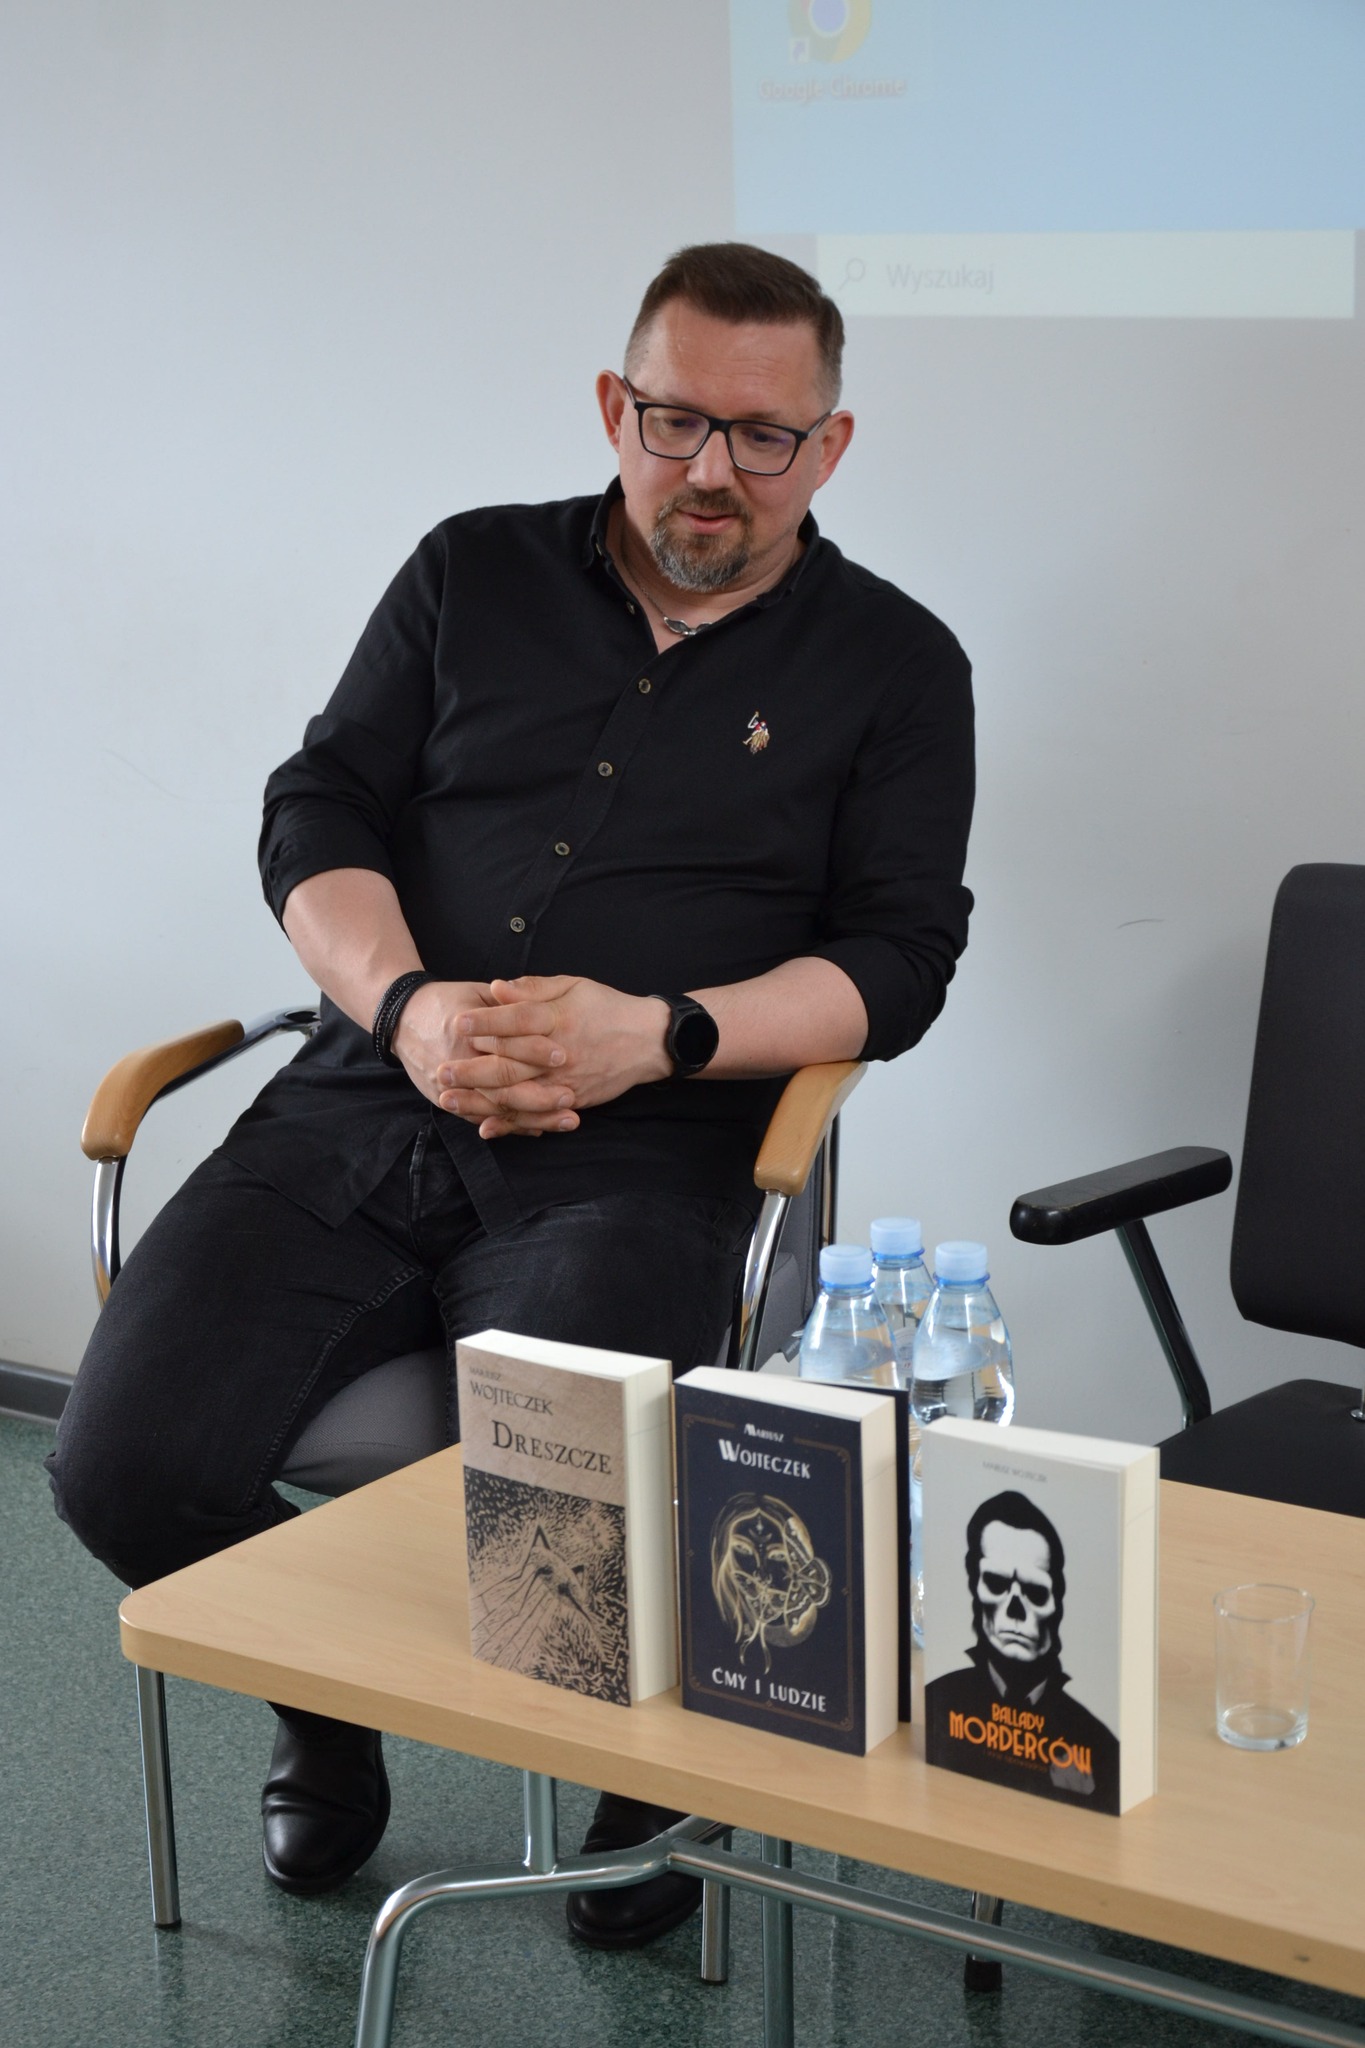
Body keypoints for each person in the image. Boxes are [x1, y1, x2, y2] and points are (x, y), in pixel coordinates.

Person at [49, 242, 975, 1945]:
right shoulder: (468, 571)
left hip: (645, 1158)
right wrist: (406, 1009)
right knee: (118, 1469)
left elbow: (900, 959)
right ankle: (325, 1706)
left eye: (764, 436)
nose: (713, 469)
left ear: (830, 447)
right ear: (616, 405)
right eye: (677, 420)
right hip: (360, 1106)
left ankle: (635, 1775)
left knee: (557, 1544)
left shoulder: (898, 663)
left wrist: (659, 1034)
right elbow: (315, 810)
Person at [923, 1491, 1120, 1812]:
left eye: (1035, 1591)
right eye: (996, 1583)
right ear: (974, 1586)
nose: (1015, 1609)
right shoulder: (938, 1703)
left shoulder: (1100, 1747)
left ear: (1056, 1602)